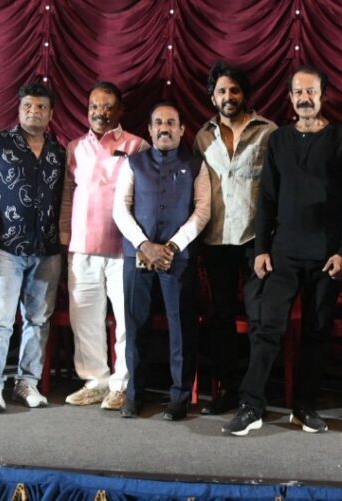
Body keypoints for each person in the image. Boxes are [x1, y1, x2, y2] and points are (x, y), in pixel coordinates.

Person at [222, 66, 342, 436]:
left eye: (311, 91)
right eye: (298, 92)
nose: (304, 98)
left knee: (317, 331)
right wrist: (261, 249)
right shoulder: (279, 139)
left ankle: (304, 407)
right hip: (282, 252)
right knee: (267, 327)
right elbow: (266, 197)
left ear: (324, 96)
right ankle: (251, 405)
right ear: (290, 98)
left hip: (327, 255)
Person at [0, 82, 66, 413]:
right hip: (4, 247)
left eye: (41, 107)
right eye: (28, 106)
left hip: (47, 250)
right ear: (19, 109)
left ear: (51, 113)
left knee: (38, 321)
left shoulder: (58, 152)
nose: (33, 112)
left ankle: (27, 382)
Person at [113, 102, 211, 420]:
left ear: (182, 129)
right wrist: (144, 245)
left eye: (171, 122)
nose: (164, 128)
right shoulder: (133, 163)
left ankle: (180, 397)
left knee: (181, 328)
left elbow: (202, 211)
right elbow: (120, 209)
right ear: (150, 129)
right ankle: (134, 395)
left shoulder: (196, 165)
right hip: (138, 256)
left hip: (178, 257)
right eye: (158, 123)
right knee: (135, 326)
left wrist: (171, 246)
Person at [193, 62, 277, 415]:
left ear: (245, 94)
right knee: (221, 318)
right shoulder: (202, 137)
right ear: (213, 97)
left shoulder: (268, 131)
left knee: (259, 319)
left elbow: (277, 188)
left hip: (256, 240)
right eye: (222, 91)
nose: (228, 96)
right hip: (216, 239)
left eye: (234, 90)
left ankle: (255, 393)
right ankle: (226, 389)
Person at [61, 82, 150, 410]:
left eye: (108, 106)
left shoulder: (137, 145)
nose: (100, 112)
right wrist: (64, 237)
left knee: (126, 319)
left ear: (120, 111)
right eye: (94, 106)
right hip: (82, 245)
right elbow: (68, 195)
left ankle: (122, 384)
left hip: (123, 247)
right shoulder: (74, 147)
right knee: (85, 318)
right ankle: (96, 382)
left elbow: (145, 196)